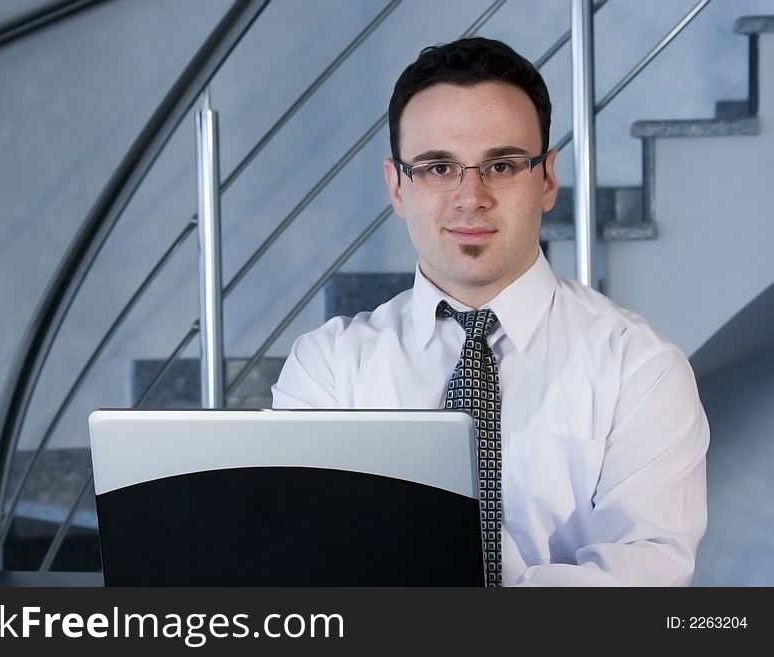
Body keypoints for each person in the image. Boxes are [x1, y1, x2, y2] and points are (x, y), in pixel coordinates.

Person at [271, 37, 709, 586]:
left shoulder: (640, 368)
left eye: (501, 165)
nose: (470, 196)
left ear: (546, 178)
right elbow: (304, 563)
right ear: (397, 187)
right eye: (436, 167)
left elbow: (645, 578)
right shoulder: (328, 367)